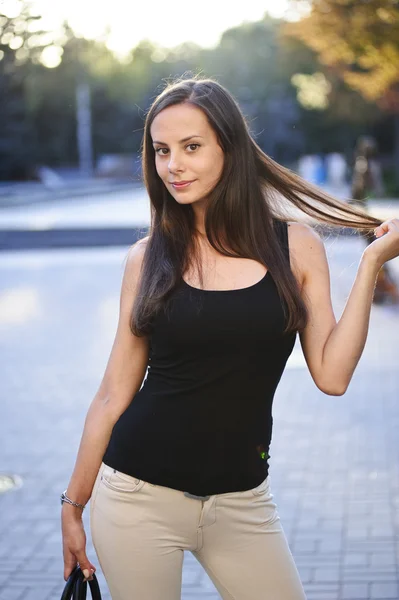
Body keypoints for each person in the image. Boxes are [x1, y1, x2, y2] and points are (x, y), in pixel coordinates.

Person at [61, 77, 399, 600]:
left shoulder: (295, 247)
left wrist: (372, 262)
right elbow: (111, 396)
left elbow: (332, 376)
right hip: (136, 498)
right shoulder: (147, 259)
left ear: (229, 148)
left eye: (191, 147)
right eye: (161, 151)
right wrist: (73, 506)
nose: (173, 165)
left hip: (243, 501)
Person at [350, 135, 399, 304]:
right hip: (364, 212)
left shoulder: (363, 164)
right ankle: (384, 286)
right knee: (376, 250)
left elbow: (365, 189)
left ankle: (385, 286)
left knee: (376, 250)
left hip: (365, 212)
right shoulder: (365, 164)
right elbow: (373, 189)